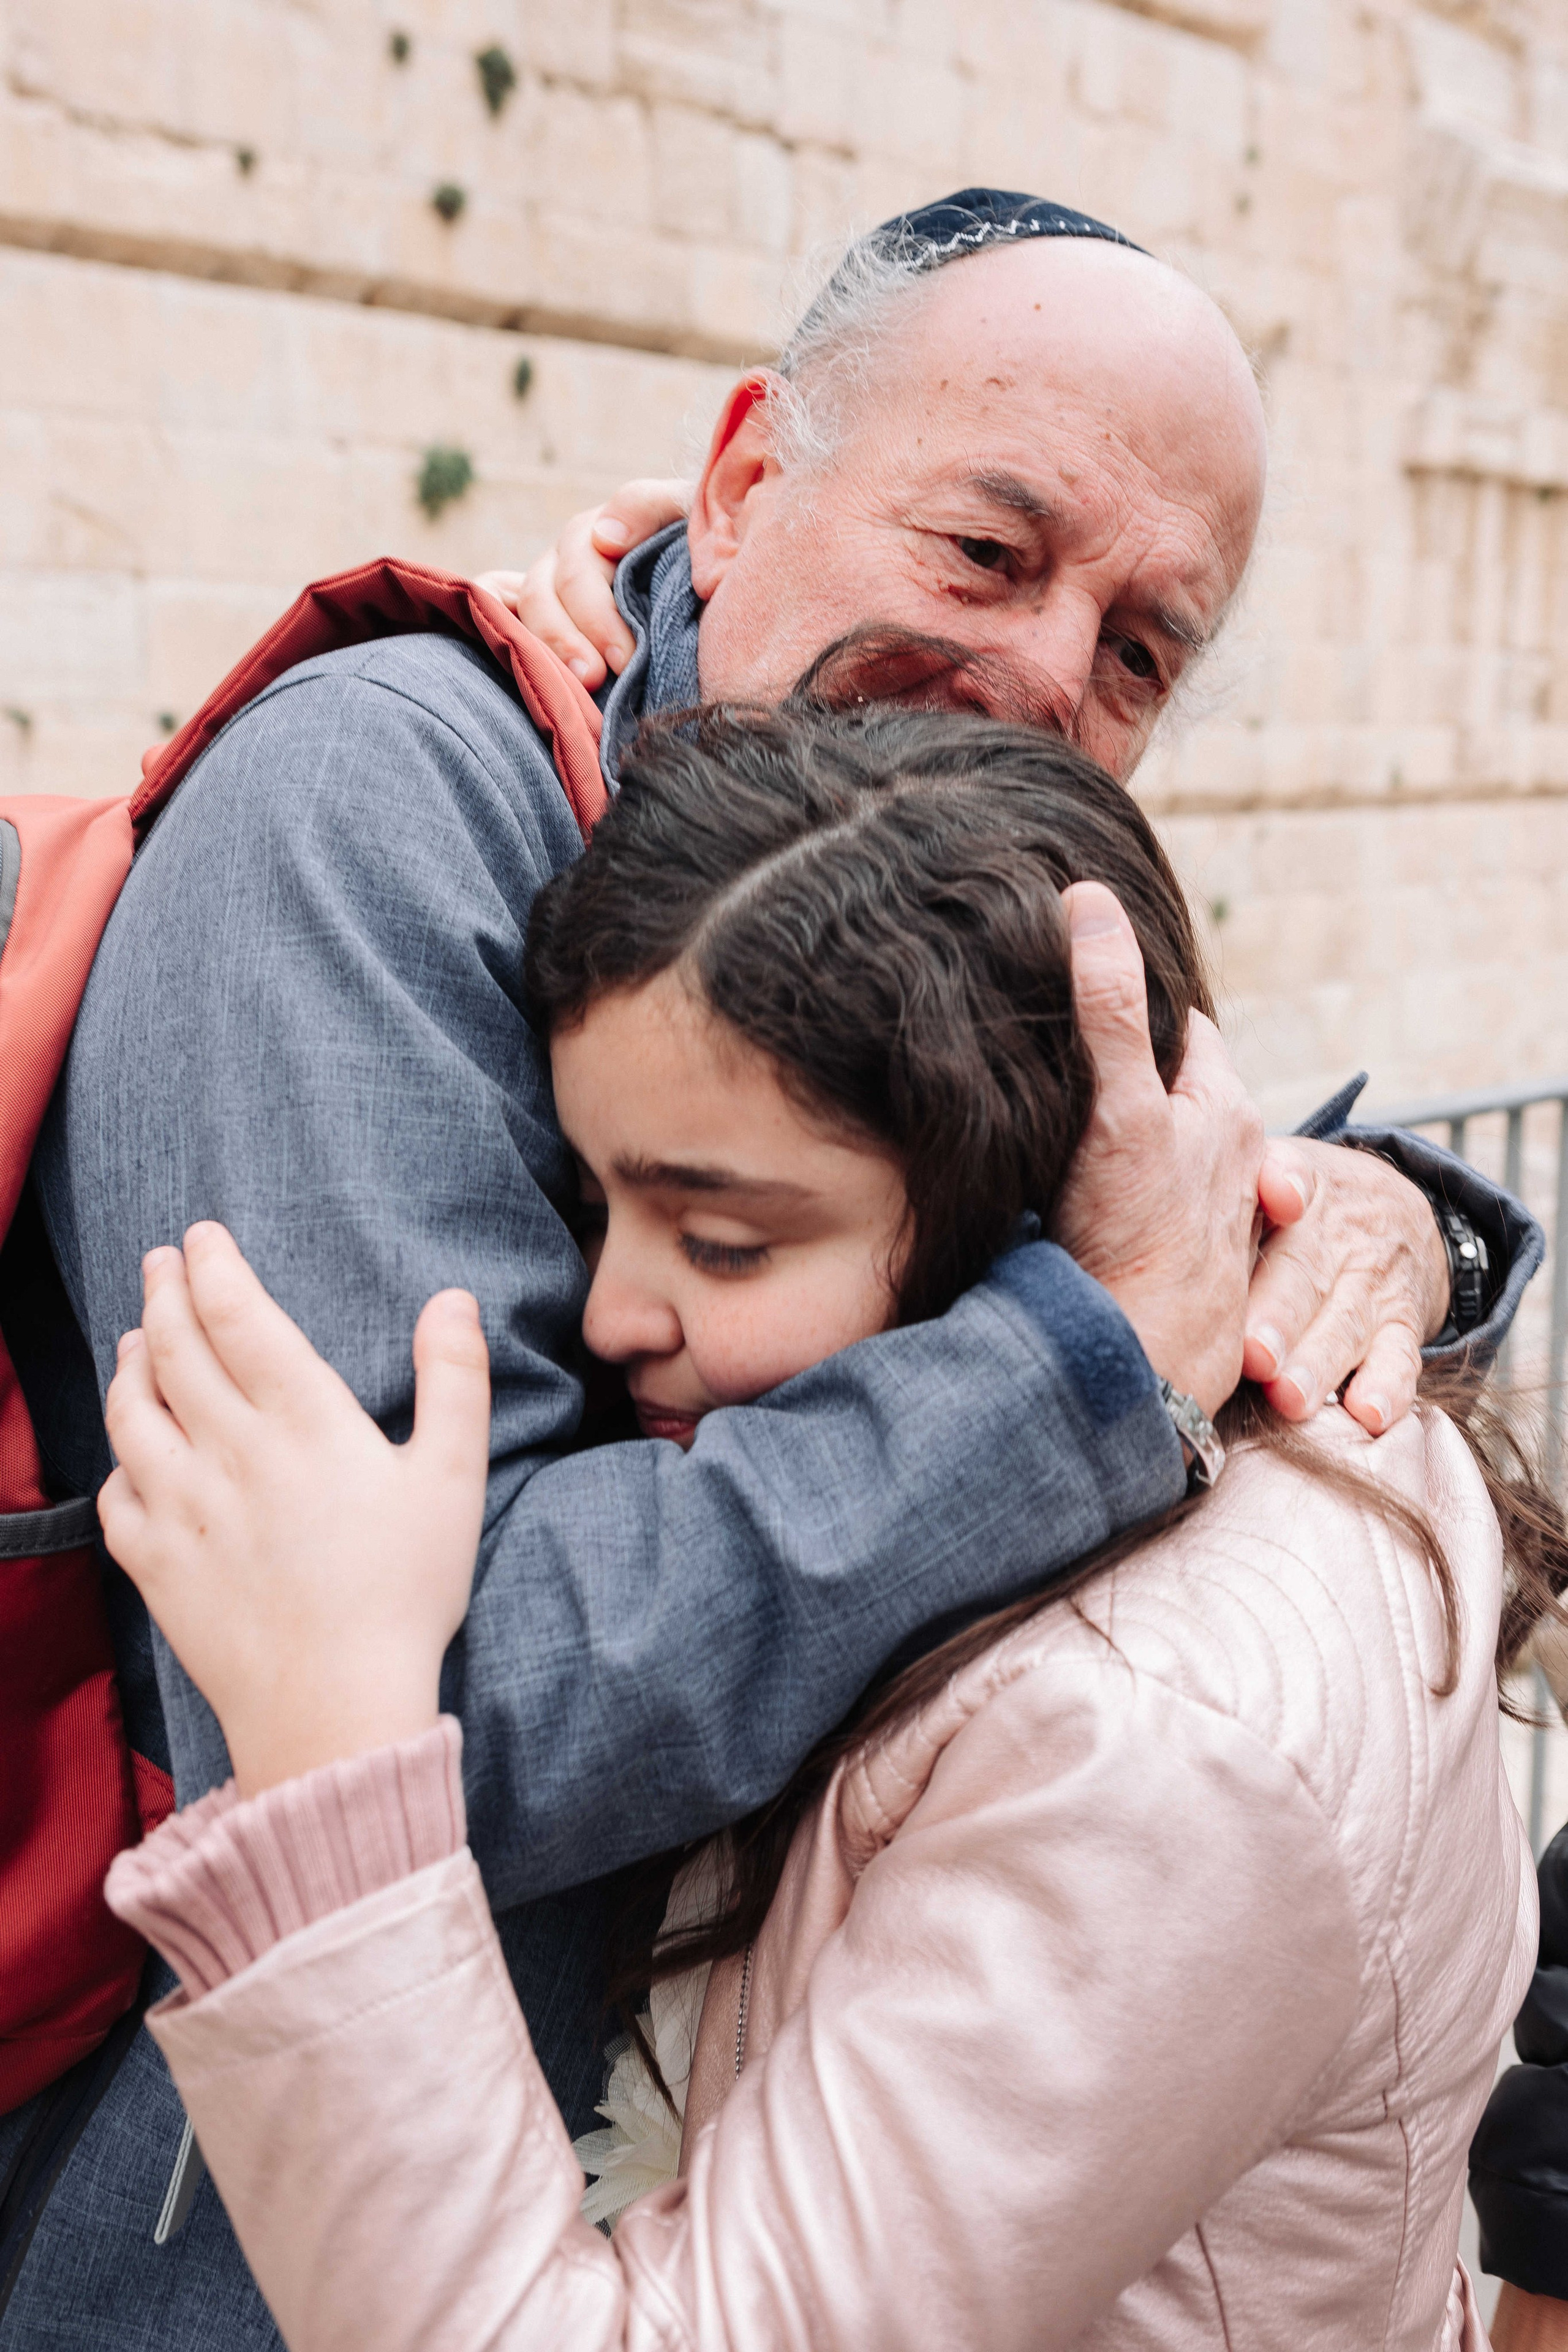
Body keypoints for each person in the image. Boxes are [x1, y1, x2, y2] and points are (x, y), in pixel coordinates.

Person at [0, 190, 1536, 2345]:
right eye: (984, 550)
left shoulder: (903, 863)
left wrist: (1377, 1213)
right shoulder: (372, 815)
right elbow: (418, 1700)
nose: (1046, 673)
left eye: (1139, 652)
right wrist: (1082, 1361)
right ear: (737, 489)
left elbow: (1129, 1187)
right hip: (243, 2240)